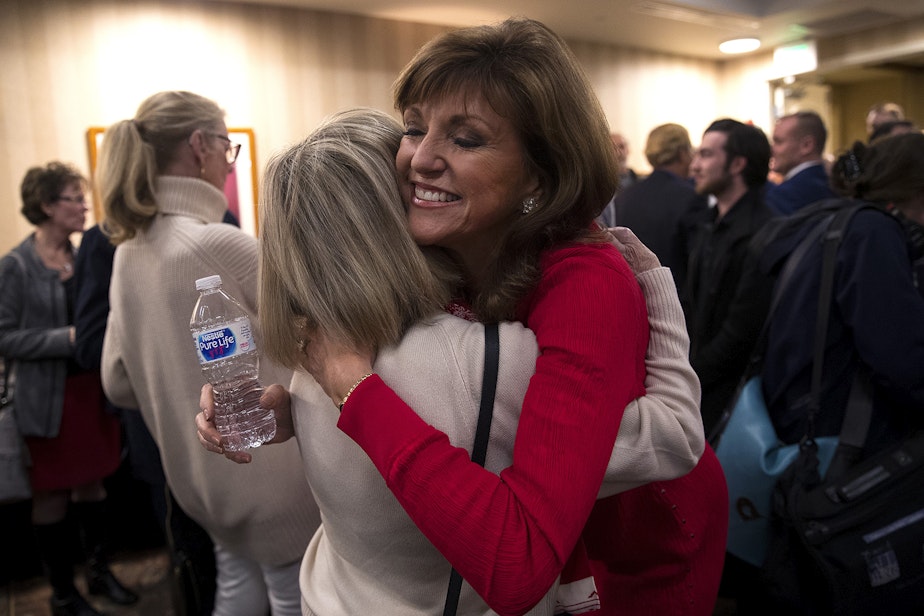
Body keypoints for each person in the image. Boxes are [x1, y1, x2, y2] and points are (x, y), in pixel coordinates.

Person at [198, 106, 712, 615]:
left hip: (334, 593)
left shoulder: (319, 340)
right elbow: (671, 439)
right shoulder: (488, 361)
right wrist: (652, 283)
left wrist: (292, 412)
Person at [98, 91, 317, 616]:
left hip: (197, 480)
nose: (227, 158)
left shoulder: (128, 253)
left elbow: (116, 381)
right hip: (270, 474)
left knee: (235, 587)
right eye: (225, 143)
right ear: (198, 146)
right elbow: (320, 342)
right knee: (294, 598)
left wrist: (174, 380)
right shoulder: (221, 245)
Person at [752, 132, 924, 614]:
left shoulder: (825, 221)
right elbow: (902, 356)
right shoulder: (872, 232)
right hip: (846, 446)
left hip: (804, 434)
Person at [0, 162, 136, 616]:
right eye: (73, 199)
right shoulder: (16, 266)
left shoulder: (87, 254)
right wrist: (68, 338)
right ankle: (62, 593)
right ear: (45, 206)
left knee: (94, 487)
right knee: (53, 495)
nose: (83, 206)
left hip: (90, 393)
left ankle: (99, 573)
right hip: (48, 402)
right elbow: (5, 338)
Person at [73, 222, 220, 616]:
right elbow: (91, 346)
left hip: (230, 430)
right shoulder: (108, 241)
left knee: (245, 568)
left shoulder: (215, 220)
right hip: (163, 435)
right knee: (195, 568)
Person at [684, 118, 776, 433]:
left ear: (737, 164)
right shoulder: (709, 223)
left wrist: (689, 376)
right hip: (702, 385)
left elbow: (741, 333)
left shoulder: (764, 232)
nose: (694, 165)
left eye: (706, 155)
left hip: (731, 399)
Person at [611, 123, 707, 289]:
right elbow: (698, 264)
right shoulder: (691, 197)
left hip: (635, 296)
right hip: (676, 300)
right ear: (682, 153)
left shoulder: (625, 196)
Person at [765, 111, 836, 215]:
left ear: (807, 145)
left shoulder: (784, 196)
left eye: (778, 142)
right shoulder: (838, 188)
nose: (771, 149)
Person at [597, 132, 640, 227]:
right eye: (612, 148)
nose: (618, 153)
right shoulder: (599, 186)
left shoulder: (641, 183)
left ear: (628, 150)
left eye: (621, 147)